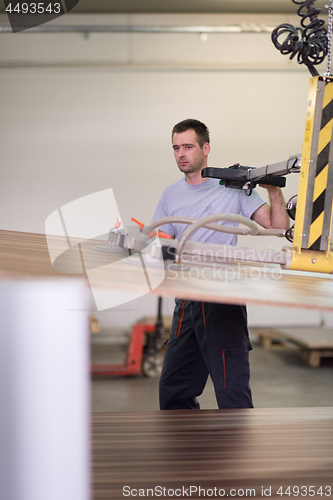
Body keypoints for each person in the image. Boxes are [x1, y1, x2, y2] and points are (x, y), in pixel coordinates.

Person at [151, 119, 289, 410]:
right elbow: (162, 246)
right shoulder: (170, 195)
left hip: (222, 298)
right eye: (176, 148)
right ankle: (186, 450)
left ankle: (237, 455)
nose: (181, 154)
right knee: (174, 389)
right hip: (187, 299)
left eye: (188, 146)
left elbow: (278, 228)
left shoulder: (232, 188)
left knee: (231, 391)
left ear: (206, 148)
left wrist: (273, 190)